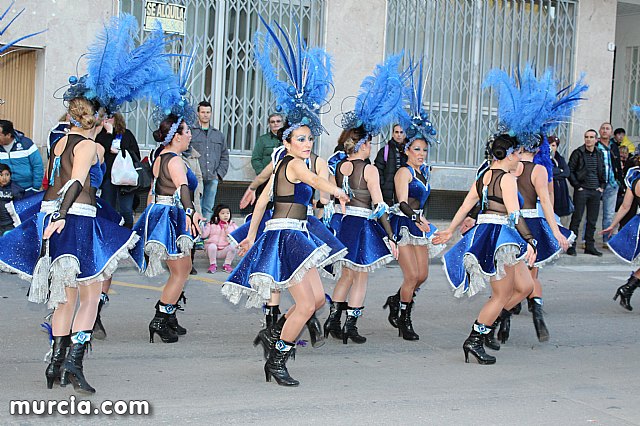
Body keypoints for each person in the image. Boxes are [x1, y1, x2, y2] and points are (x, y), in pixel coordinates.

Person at [221, 19, 349, 386]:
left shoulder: (282, 164)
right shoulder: (293, 164)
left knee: (318, 302)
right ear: (289, 142)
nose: (308, 144)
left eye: (311, 139)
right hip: (286, 237)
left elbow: (261, 201)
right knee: (308, 303)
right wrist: (337, 190)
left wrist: (251, 234)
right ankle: (277, 358)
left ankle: (277, 338)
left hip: (291, 234)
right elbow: (311, 182)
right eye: (302, 139)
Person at [435, 134, 536, 365]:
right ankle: (475, 338)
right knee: (501, 295)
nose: (519, 158)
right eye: (518, 153)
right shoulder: (507, 179)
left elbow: (465, 206)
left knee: (525, 286)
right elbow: (514, 215)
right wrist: (531, 240)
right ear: (509, 155)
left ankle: (490, 325)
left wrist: (450, 230)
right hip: (500, 237)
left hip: (493, 234)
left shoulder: (484, 177)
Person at [131, 114, 203, 343]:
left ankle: (169, 314)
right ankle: (160, 319)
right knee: (180, 272)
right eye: (187, 131)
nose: (190, 134)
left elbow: (154, 191)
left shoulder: (160, 157)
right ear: (176, 137)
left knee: (183, 268)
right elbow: (182, 188)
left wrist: (148, 219)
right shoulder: (174, 161)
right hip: (172, 216)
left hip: (163, 214)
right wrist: (191, 214)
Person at [602, 156, 640, 310]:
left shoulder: (635, 177)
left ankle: (627, 288)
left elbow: (625, 206)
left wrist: (612, 225)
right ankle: (627, 288)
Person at [96, 112, 141, 228]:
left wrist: (122, 152)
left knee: (126, 208)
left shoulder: (127, 134)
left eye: (110, 117)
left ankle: (127, 234)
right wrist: (109, 132)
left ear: (116, 118)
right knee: (107, 206)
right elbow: (99, 149)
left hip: (125, 176)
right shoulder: (101, 134)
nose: (107, 120)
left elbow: (136, 154)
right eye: (105, 117)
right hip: (108, 176)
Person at [567, 129, 606, 256]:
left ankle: (590, 245)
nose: (588, 139)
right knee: (576, 218)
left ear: (596, 139)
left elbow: (603, 170)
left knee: (592, 220)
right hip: (582, 190)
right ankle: (571, 245)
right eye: (586, 137)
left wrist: (602, 186)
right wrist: (577, 186)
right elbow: (570, 170)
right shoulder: (578, 153)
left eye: (591, 137)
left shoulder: (599, 153)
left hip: (595, 191)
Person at [190, 101, 229, 221]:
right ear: (198, 113)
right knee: (196, 205)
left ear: (211, 113)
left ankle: (205, 233)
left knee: (208, 207)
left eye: (208, 112)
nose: (205, 115)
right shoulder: (191, 132)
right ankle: (196, 232)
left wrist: (219, 174)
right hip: (196, 176)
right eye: (202, 112)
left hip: (212, 177)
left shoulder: (218, 135)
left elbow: (224, 156)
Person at [597, 122, 623, 248]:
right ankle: (587, 239)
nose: (605, 131)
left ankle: (606, 241)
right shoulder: (596, 145)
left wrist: (620, 181)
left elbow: (618, 164)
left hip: (612, 183)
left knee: (609, 214)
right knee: (592, 212)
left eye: (607, 129)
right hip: (597, 184)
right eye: (603, 128)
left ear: (611, 132)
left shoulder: (614, 146)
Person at [0, 119, 44, 193]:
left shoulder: (27, 144)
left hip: (27, 190)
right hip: (4, 192)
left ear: (8, 135)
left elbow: (38, 166)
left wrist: (35, 187)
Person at [374, 124, 407, 205]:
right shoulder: (385, 150)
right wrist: (383, 185)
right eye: (396, 132)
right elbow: (378, 169)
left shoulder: (409, 151)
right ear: (392, 134)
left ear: (404, 134)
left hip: (404, 190)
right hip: (388, 192)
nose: (399, 135)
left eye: (401, 132)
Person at [201, 203, 237, 273]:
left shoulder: (232, 225)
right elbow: (203, 235)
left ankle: (227, 264)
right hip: (212, 250)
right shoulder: (211, 224)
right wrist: (202, 226)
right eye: (223, 213)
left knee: (233, 247)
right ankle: (213, 265)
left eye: (228, 213)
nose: (226, 215)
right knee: (212, 246)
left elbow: (233, 238)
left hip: (224, 250)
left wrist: (227, 230)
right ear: (218, 214)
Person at [549, 135, 573, 224]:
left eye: (553, 145)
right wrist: (560, 171)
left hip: (561, 190)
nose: (551, 148)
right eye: (550, 145)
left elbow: (567, 172)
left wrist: (558, 172)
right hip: (551, 188)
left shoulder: (560, 158)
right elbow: (549, 172)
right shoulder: (544, 159)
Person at [0, 163, 24, 234]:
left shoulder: (16, 189)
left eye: (7, 175)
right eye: (1, 175)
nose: (4, 178)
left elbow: (20, 208)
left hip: (11, 224)